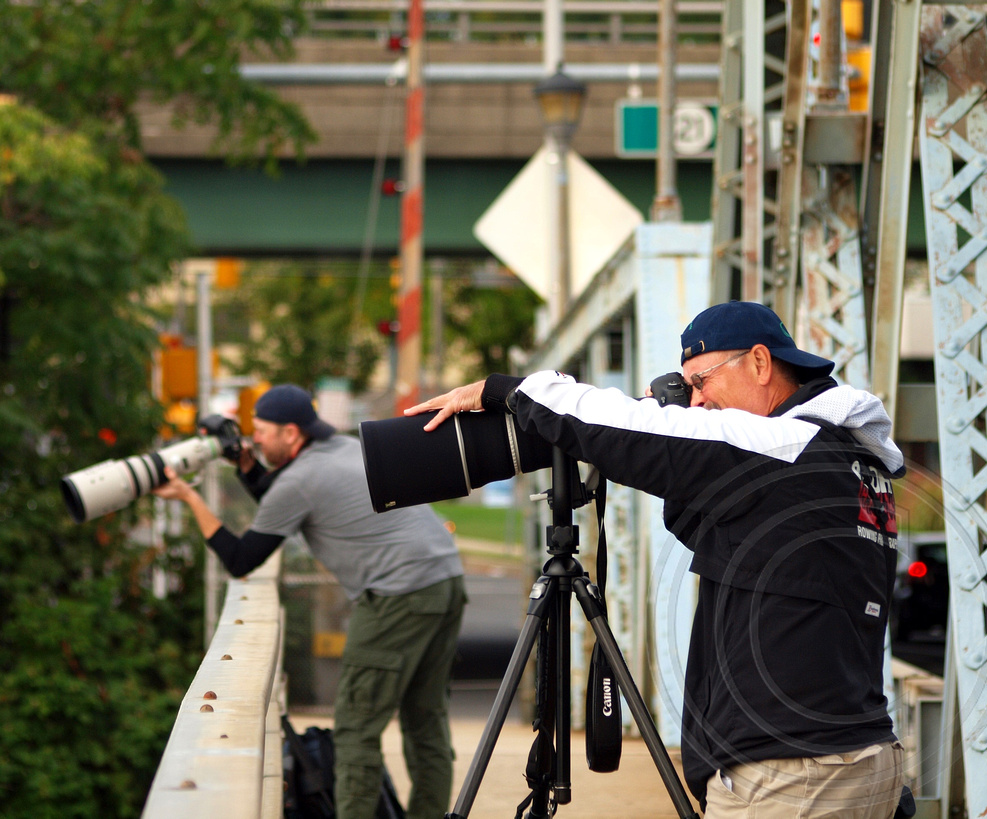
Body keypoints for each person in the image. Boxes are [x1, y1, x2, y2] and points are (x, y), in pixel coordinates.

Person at [405, 301, 905, 818]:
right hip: (844, 759)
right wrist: (683, 425)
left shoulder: (785, 443)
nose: (699, 401)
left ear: (760, 363)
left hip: (795, 777)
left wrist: (509, 391)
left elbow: (621, 428)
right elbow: (705, 525)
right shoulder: (846, 461)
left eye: (702, 381)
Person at [152, 384, 466, 819]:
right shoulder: (340, 447)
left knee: (357, 729)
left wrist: (190, 497)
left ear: (291, 433)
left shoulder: (297, 481)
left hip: (397, 596)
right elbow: (285, 506)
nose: (254, 440)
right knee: (425, 720)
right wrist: (246, 465)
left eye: (261, 432)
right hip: (446, 579)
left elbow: (242, 559)